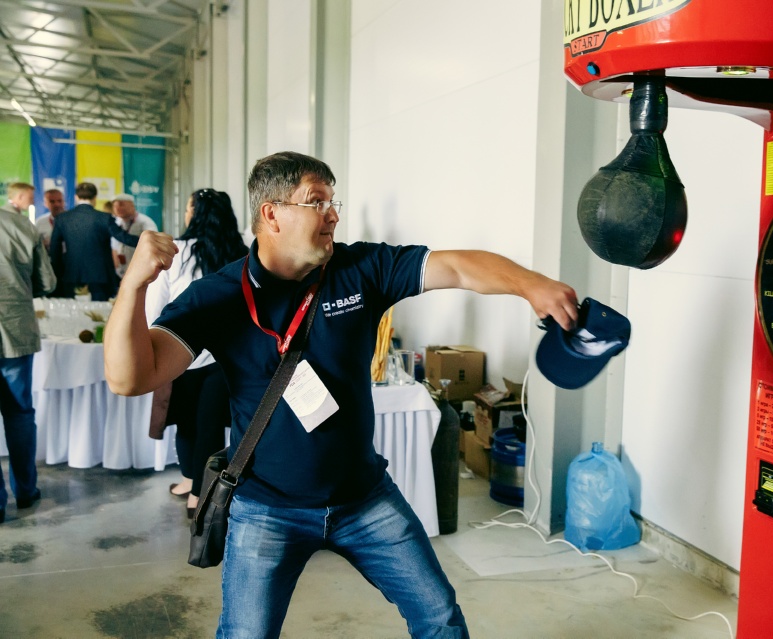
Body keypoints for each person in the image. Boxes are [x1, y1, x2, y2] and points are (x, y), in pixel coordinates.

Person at [103, 151, 578, 638]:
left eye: (334, 202)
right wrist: (134, 285)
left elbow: (456, 267)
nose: (332, 214)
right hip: (266, 510)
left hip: (364, 500)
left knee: (440, 617)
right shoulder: (219, 296)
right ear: (271, 214)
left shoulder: (360, 268)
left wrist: (531, 284)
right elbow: (130, 378)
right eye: (317, 202)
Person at [145, 188, 247, 518]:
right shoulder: (242, 251)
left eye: (189, 208)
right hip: (226, 355)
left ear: (195, 213)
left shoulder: (177, 251)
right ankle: (197, 488)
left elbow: (154, 307)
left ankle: (194, 487)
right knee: (210, 425)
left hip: (181, 350)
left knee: (186, 422)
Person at [0, 194, 57, 524]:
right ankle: (25, 490)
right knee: (19, 413)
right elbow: (46, 282)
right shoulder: (22, 226)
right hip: (15, 329)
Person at [48, 182, 140, 301]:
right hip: (100, 276)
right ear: (95, 198)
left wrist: (59, 272)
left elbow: (55, 249)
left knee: (72, 311)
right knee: (100, 311)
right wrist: (147, 241)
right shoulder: (105, 218)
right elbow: (124, 238)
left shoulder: (62, 218)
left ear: (76, 197)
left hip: (71, 275)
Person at [111, 193, 158, 279]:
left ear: (132, 206)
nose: (117, 208)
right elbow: (114, 247)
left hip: (141, 271)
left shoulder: (145, 222)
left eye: (121, 205)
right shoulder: (115, 223)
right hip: (119, 271)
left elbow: (152, 245)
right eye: (115, 206)